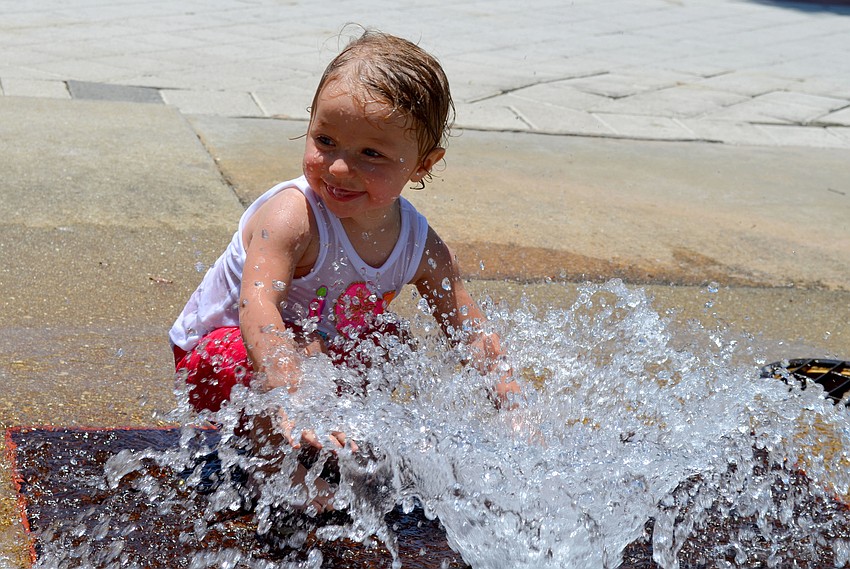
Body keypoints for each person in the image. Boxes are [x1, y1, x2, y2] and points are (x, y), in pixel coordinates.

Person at [169, 29, 519, 513]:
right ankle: (279, 472)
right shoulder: (293, 216)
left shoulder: (420, 247)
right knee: (253, 356)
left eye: (371, 154)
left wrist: (512, 406)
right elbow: (258, 307)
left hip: (311, 347)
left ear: (423, 164)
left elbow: (471, 331)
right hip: (219, 356)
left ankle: (329, 439)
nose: (337, 168)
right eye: (325, 140)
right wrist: (293, 393)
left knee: (389, 340)